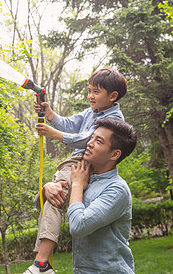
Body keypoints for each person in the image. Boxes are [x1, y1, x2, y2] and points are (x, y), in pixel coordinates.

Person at [24, 67, 127, 274]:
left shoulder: (113, 119)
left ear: (112, 96)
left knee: (54, 195)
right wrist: (51, 114)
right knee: (48, 196)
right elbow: (70, 123)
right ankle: (42, 262)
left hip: (83, 162)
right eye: (89, 90)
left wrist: (55, 134)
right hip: (75, 160)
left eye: (96, 92)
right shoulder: (91, 112)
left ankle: (42, 263)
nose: (90, 96)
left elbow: (87, 138)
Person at [66, 117, 137, 273]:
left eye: (98, 141)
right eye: (92, 137)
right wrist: (47, 189)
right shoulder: (85, 177)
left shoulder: (117, 189)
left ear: (114, 154)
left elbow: (78, 226)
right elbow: (45, 204)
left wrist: (76, 185)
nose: (89, 143)